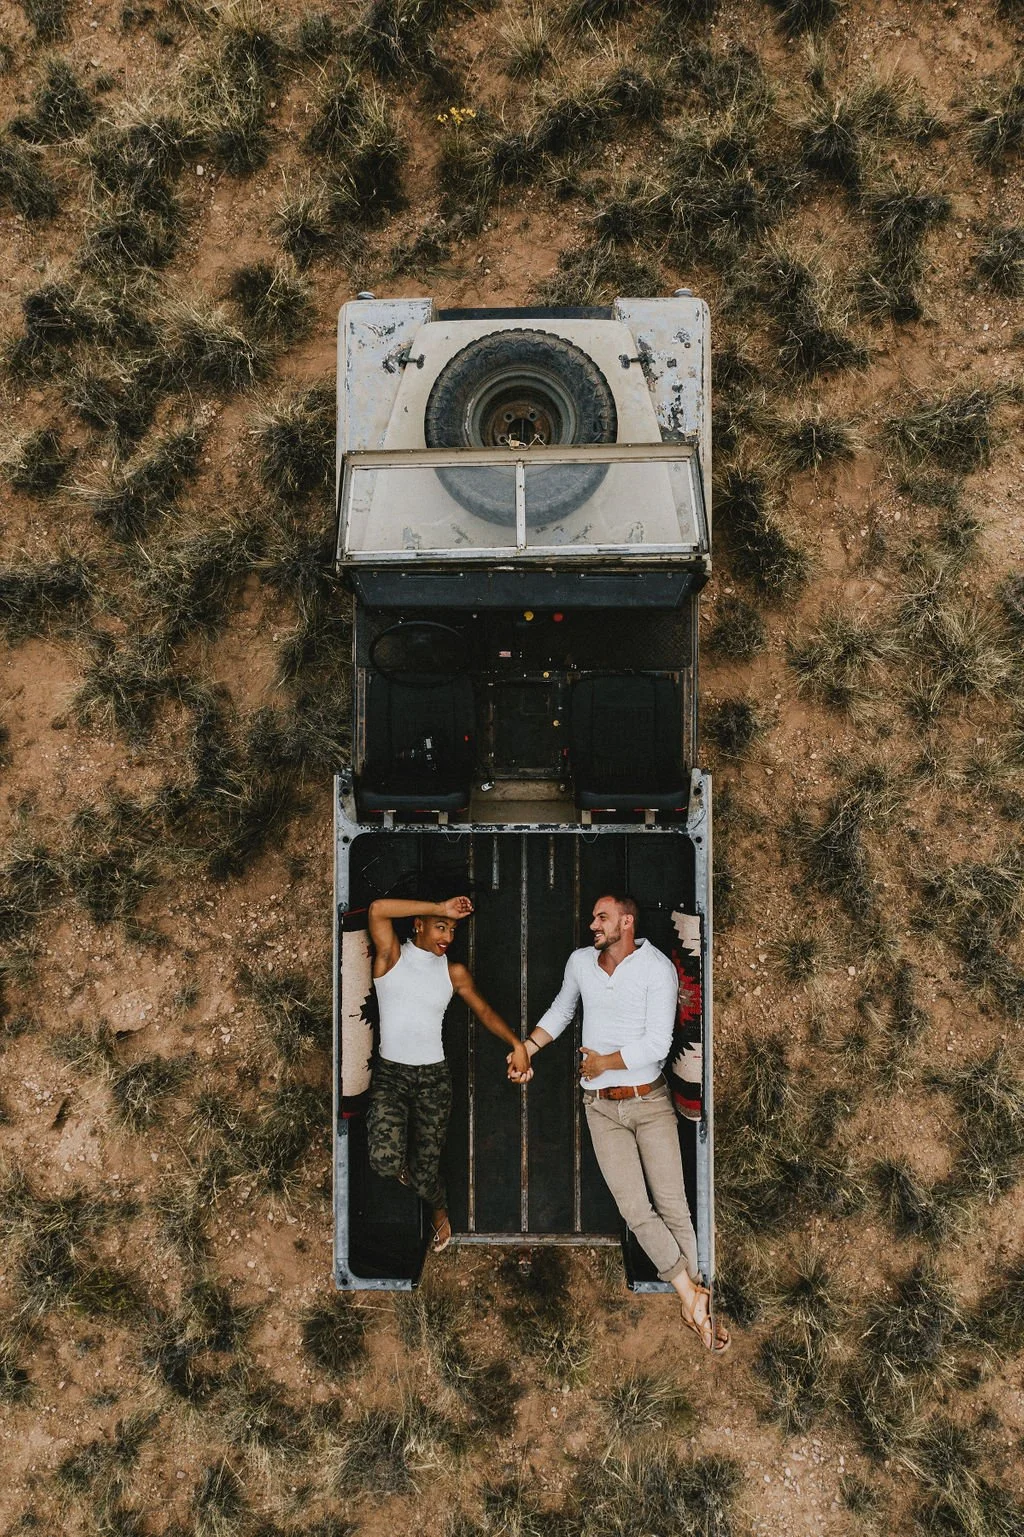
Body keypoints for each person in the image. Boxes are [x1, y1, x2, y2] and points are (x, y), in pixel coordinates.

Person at [510, 892, 729, 1352]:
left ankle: (696, 1301)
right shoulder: (579, 963)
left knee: (673, 1206)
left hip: (649, 1103)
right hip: (601, 1109)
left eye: (602, 917)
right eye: (593, 917)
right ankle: (693, 1297)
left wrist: (604, 1062)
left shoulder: (657, 969)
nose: (593, 924)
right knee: (634, 1209)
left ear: (626, 922)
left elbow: (657, 1044)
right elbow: (562, 1011)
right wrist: (529, 1047)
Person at [367, 894, 530, 1254]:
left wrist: (517, 1044)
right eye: (441, 927)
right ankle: (404, 1161)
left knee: (426, 1174)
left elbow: (484, 1011)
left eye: (453, 930)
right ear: (418, 924)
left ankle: (438, 1208)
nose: (448, 937)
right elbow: (378, 909)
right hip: (391, 1076)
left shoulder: (453, 973)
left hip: (434, 1079)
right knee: (384, 1160)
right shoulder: (391, 957)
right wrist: (440, 907)